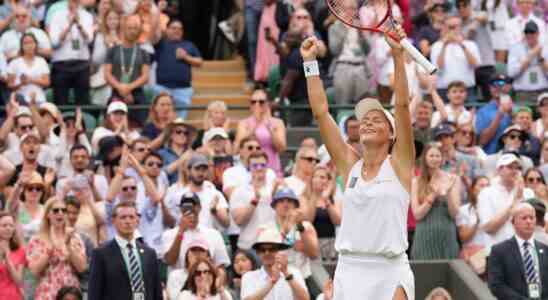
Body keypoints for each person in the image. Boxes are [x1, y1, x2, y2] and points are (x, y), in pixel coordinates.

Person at [301, 22, 415, 299]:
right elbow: (321, 112)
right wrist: (310, 64)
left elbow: (400, 105)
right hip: (349, 269)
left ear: (391, 134)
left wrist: (398, 57)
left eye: (376, 119)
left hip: (390, 268)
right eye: (364, 119)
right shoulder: (349, 165)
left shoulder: (399, 162)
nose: (367, 123)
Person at [88, 200, 163, 300]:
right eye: (123, 217)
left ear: (137, 221)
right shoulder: (101, 254)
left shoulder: (150, 254)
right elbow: (94, 293)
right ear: (114, 221)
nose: (128, 221)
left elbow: (156, 291)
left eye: (131, 217)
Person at [27, 197, 87, 300]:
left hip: (70, 292)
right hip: (47, 292)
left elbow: (82, 268)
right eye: (56, 210)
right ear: (48, 215)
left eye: (63, 210)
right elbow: (34, 271)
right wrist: (52, 247)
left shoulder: (74, 237)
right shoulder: (37, 239)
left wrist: (68, 245)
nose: (60, 213)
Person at [410, 144, 461, 260]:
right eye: (431, 155)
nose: (435, 159)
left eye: (438, 156)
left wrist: (447, 193)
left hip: (446, 234)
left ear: (442, 158)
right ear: (425, 158)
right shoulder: (416, 182)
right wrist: (433, 195)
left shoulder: (453, 179)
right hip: (424, 235)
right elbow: (417, 215)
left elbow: (454, 214)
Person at [487, 202, 548, 299]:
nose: (528, 221)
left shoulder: (545, 249)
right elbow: (496, 285)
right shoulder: (499, 251)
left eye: (532, 218)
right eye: (524, 218)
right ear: (513, 222)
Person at [241, 227, 309, 300]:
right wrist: (272, 281)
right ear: (258, 253)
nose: (267, 253)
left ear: (280, 251)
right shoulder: (249, 277)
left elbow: (305, 299)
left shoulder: (294, 273)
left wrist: (286, 274)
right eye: (262, 250)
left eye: (272, 249)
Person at [153, 20, 203, 119]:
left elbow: (200, 62)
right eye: (174, 28)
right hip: (162, 88)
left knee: (179, 122)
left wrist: (186, 57)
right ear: (167, 30)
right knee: (161, 120)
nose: (177, 31)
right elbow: (152, 35)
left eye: (180, 29)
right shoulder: (160, 44)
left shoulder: (189, 45)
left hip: (183, 90)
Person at [47, 0, 94, 105]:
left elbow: (89, 39)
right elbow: (54, 42)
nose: (75, 3)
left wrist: (79, 25)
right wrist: (69, 25)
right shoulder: (57, 16)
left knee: (82, 102)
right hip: (61, 64)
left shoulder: (87, 16)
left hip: (82, 64)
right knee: (60, 101)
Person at [234, 88, 286, 176]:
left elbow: (281, 148)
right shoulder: (244, 123)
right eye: (253, 102)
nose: (257, 104)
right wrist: (256, 123)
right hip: (250, 169)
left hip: (272, 168)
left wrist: (269, 126)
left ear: (267, 104)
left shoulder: (277, 122)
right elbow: (238, 147)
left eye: (261, 102)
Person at [6, 33, 50, 105]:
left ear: (35, 44)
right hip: (20, 100)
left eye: (31, 42)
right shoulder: (14, 63)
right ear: (22, 46)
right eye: (26, 43)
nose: (29, 46)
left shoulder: (42, 61)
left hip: (39, 99)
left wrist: (31, 80)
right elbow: (10, 85)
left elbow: (47, 82)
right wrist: (21, 83)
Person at [0, 212, 25, 300]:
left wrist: (7, 258)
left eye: (11, 225)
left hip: (13, 296)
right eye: (4, 225)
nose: (8, 228)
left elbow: (19, 280)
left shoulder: (20, 251)